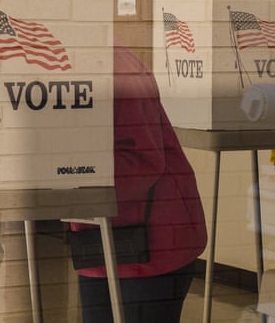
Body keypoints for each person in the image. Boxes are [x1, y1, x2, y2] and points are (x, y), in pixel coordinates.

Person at [68, 45, 207, 323]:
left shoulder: (116, 65)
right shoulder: (68, 61)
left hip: (154, 242)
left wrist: (63, 178)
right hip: (98, 242)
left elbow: (142, 160)